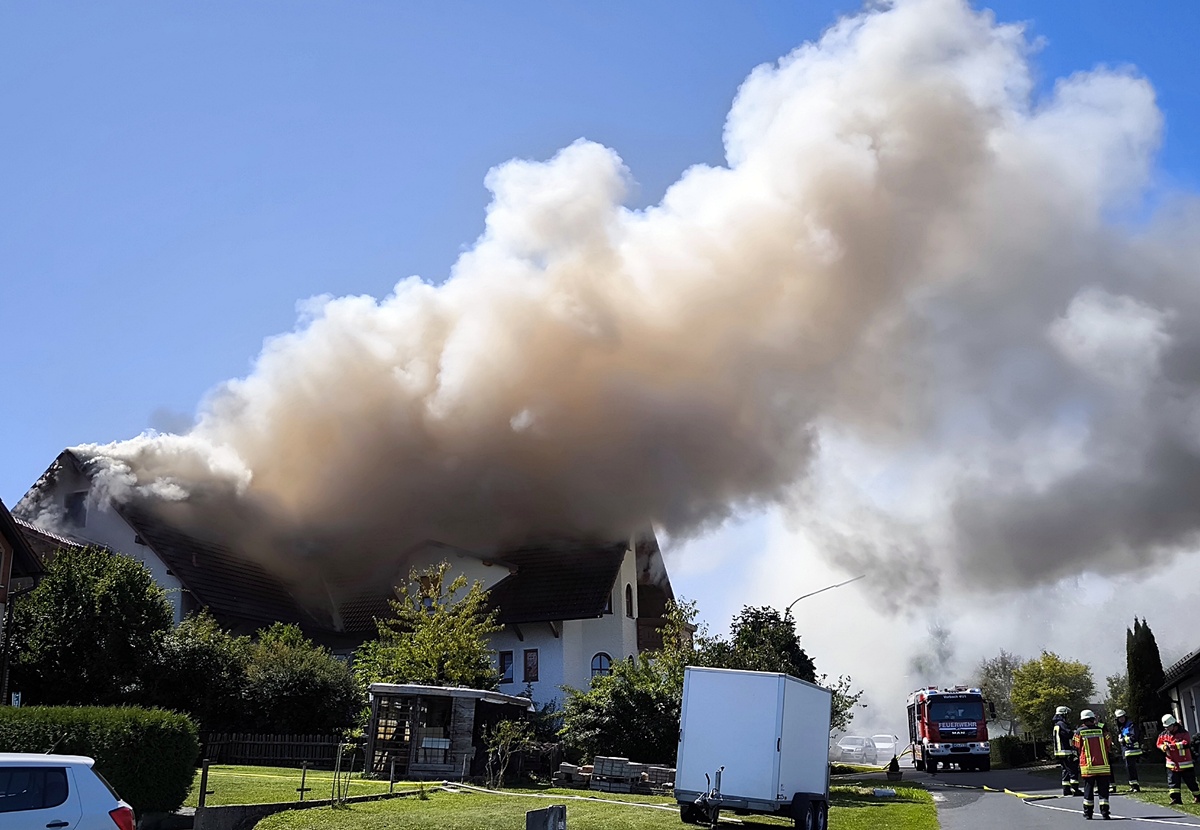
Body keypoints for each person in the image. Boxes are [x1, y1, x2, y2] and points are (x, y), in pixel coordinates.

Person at [1073, 709, 1113, 820]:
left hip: (1088, 767)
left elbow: (1076, 745)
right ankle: (1105, 813)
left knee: (1088, 790)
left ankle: (1088, 813)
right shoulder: (1102, 731)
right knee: (1103, 791)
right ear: (1092, 719)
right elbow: (1109, 743)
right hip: (1103, 766)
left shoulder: (1079, 732)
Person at [1157, 714, 1200, 806]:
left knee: (1191, 782)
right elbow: (1159, 743)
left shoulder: (1183, 733)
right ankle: (1176, 799)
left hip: (1185, 763)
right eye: (1165, 727)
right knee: (1173, 783)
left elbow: (1186, 743)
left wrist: (1172, 746)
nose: (1166, 729)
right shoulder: (1163, 734)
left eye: (1168, 727)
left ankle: (1198, 796)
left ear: (1173, 724)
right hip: (1171, 764)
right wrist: (1163, 747)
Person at [1053, 705, 1083, 796]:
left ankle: (1066, 790)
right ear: (1063, 714)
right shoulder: (1062, 724)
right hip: (1066, 752)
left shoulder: (1057, 724)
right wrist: (1076, 732)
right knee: (1073, 770)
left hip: (1060, 752)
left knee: (1065, 771)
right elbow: (1069, 734)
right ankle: (1075, 789)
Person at [1114, 709, 1142, 793]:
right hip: (1126, 750)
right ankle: (1132, 785)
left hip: (1132, 750)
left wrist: (1123, 740)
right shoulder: (1122, 727)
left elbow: (1134, 737)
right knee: (1128, 768)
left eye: (1122, 717)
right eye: (1119, 718)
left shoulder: (1131, 725)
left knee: (1131, 768)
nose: (1121, 719)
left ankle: (1135, 786)